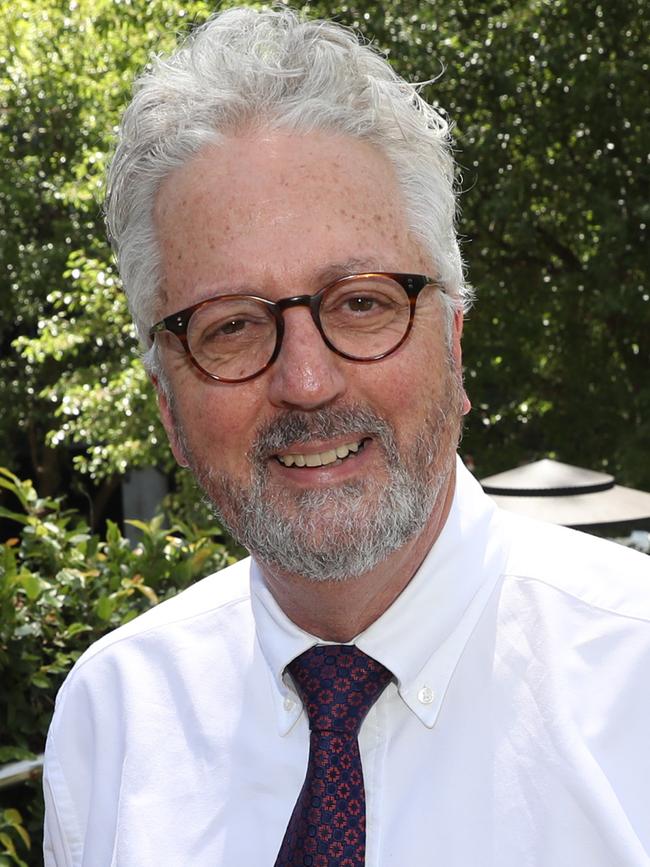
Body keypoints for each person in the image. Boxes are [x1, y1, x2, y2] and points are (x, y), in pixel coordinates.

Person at [43, 7, 650, 866]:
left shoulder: (638, 682)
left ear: (454, 342)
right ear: (168, 407)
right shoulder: (111, 724)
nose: (306, 381)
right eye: (232, 327)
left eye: (362, 301)